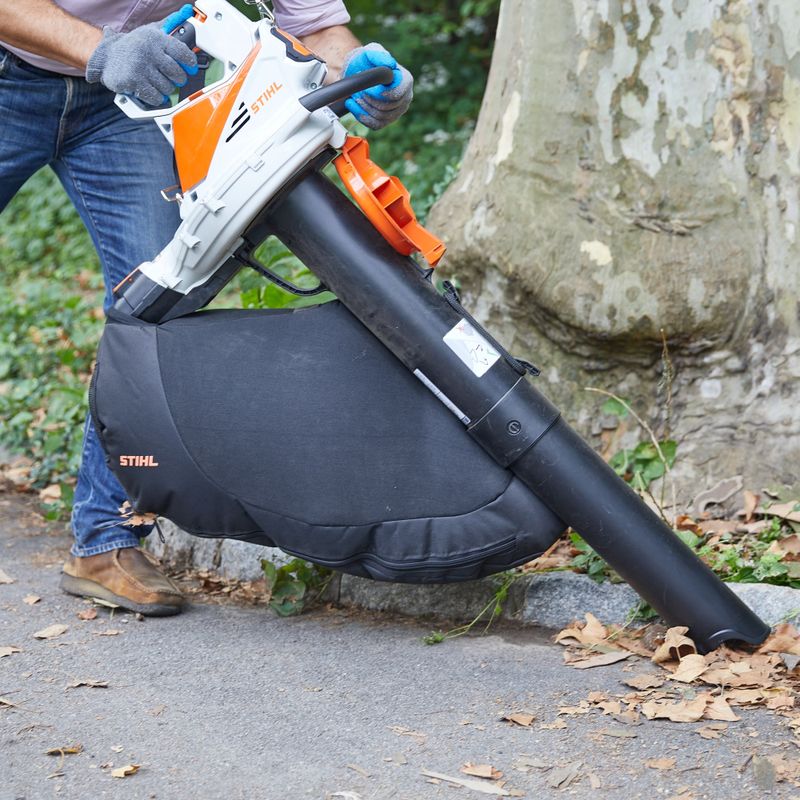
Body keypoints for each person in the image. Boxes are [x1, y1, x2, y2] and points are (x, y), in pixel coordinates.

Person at [0, 0, 413, 616]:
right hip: (14, 72)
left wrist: (362, 71)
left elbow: (316, 28)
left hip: (130, 104)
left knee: (159, 300)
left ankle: (106, 541)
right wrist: (104, 51)